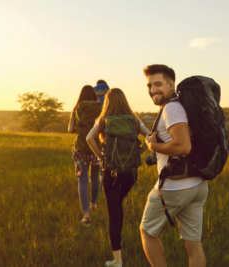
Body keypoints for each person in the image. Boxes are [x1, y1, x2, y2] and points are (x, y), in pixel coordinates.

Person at [140, 64, 208, 267]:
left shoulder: (172, 108)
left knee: (147, 231)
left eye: (158, 84)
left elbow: (183, 145)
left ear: (171, 84)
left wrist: (153, 146)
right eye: (150, 85)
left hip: (174, 186)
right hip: (197, 184)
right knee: (194, 245)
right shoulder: (182, 106)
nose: (153, 90)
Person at [86, 88, 150, 267]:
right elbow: (151, 137)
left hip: (111, 173)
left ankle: (118, 262)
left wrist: (101, 157)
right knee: (117, 205)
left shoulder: (103, 121)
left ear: (108, 102)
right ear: (124, 100)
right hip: (130, 174)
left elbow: (89, 138)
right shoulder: (134, 121)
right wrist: (139, 151)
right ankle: (118, 258)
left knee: (113, 214)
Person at [68, 85, 102, 226]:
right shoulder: (101, 108)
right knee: (94, 177)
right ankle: (93, 204)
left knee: (82, 181)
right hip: (96, 147)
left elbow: (70, 130)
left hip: (81, 147)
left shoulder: (77, 108)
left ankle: (86, 215)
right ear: (94, 95)